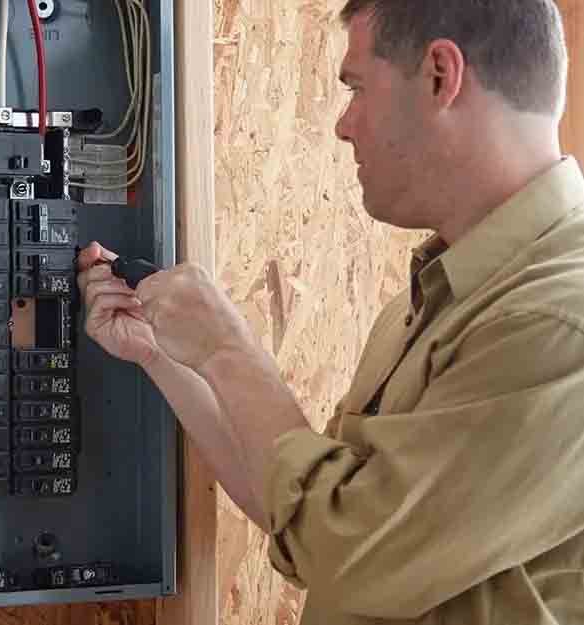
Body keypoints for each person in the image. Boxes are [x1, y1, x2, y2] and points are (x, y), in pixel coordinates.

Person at [77, 1, 584, 622]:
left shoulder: (555, 320)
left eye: (357, 88)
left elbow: (349, 552)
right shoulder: (447, 296)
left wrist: (228, 349)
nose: (345, 126)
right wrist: (161, 354)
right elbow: (304, 518)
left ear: (439, 76)